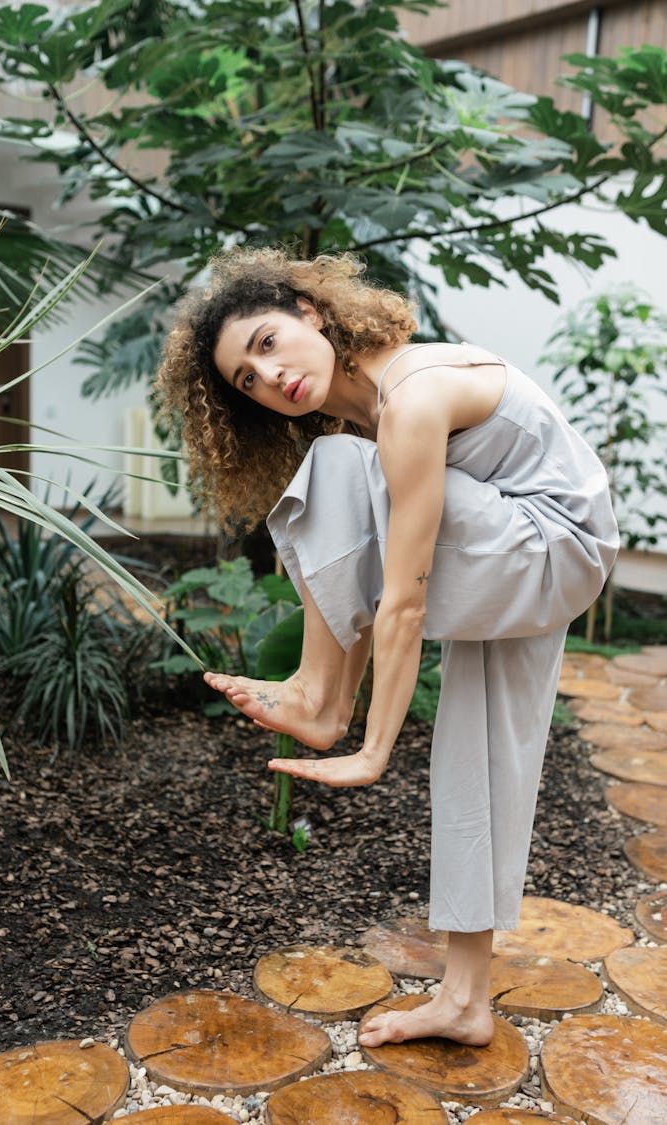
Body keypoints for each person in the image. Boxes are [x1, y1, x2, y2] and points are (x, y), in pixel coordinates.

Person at [155, 246, 618, 1049]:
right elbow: (372, 587)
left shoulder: (409, 396)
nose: (269, 379)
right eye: (246, 381)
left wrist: (372, 746)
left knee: (333, 469)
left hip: (548, 540)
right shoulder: (366, 408)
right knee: (485, 756)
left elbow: (403, 599)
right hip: (539, 546)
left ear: (312, 312)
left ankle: (319, 697)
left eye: (268, 343)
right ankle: (465, 1000)